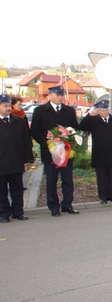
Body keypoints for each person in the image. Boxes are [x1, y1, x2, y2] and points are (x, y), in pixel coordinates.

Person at [30, 85, 80, 216]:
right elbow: (35, 130)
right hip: (50, 152)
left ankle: (67, 205)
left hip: (66, 152)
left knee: (67, 179)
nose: (60, 97)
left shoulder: (69, 110)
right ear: (50, 95)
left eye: (62, 95)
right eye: (58, 95)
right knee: (51, 180)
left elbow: (75, 128)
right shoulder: (40, 111)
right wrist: (46, 141)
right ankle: (53, 206)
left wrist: (70, 136)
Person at [78, 100, 112, 204]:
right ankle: (103, 196)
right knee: (101, 177)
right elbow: (82, 126)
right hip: (99, 154)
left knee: (111, 176)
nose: (105, 112)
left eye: (106, 110)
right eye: (102, 110)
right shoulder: (93, 120)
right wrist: (89, 115)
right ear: (98, 111)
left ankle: (111, 195)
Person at [0, 94, 34, 223]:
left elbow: (26, 141)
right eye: (5, 106)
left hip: (16, 162)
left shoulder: (19, 121)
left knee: (17, 188)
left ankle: (18, 212)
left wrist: (28, 159)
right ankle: (4, 213)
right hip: (2, 163)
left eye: (9, 106)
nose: (8, 108)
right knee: (1, 190)